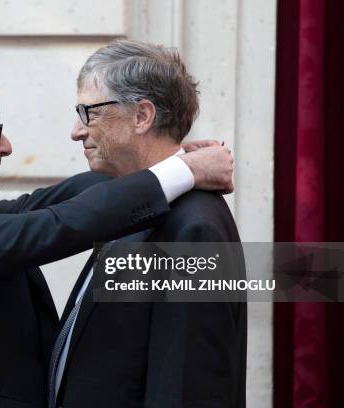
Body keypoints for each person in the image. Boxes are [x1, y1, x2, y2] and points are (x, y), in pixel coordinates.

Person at [0, 64, 234, 407]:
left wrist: (171, 162)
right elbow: (60, 223)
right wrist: (182, 172)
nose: (6, 146)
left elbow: (48, 204)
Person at [51, 40, 246, 408]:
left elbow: (188, 388)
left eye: (88, 112)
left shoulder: (193, 230)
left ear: (142, 116)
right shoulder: (133, 206)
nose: (77, 131)